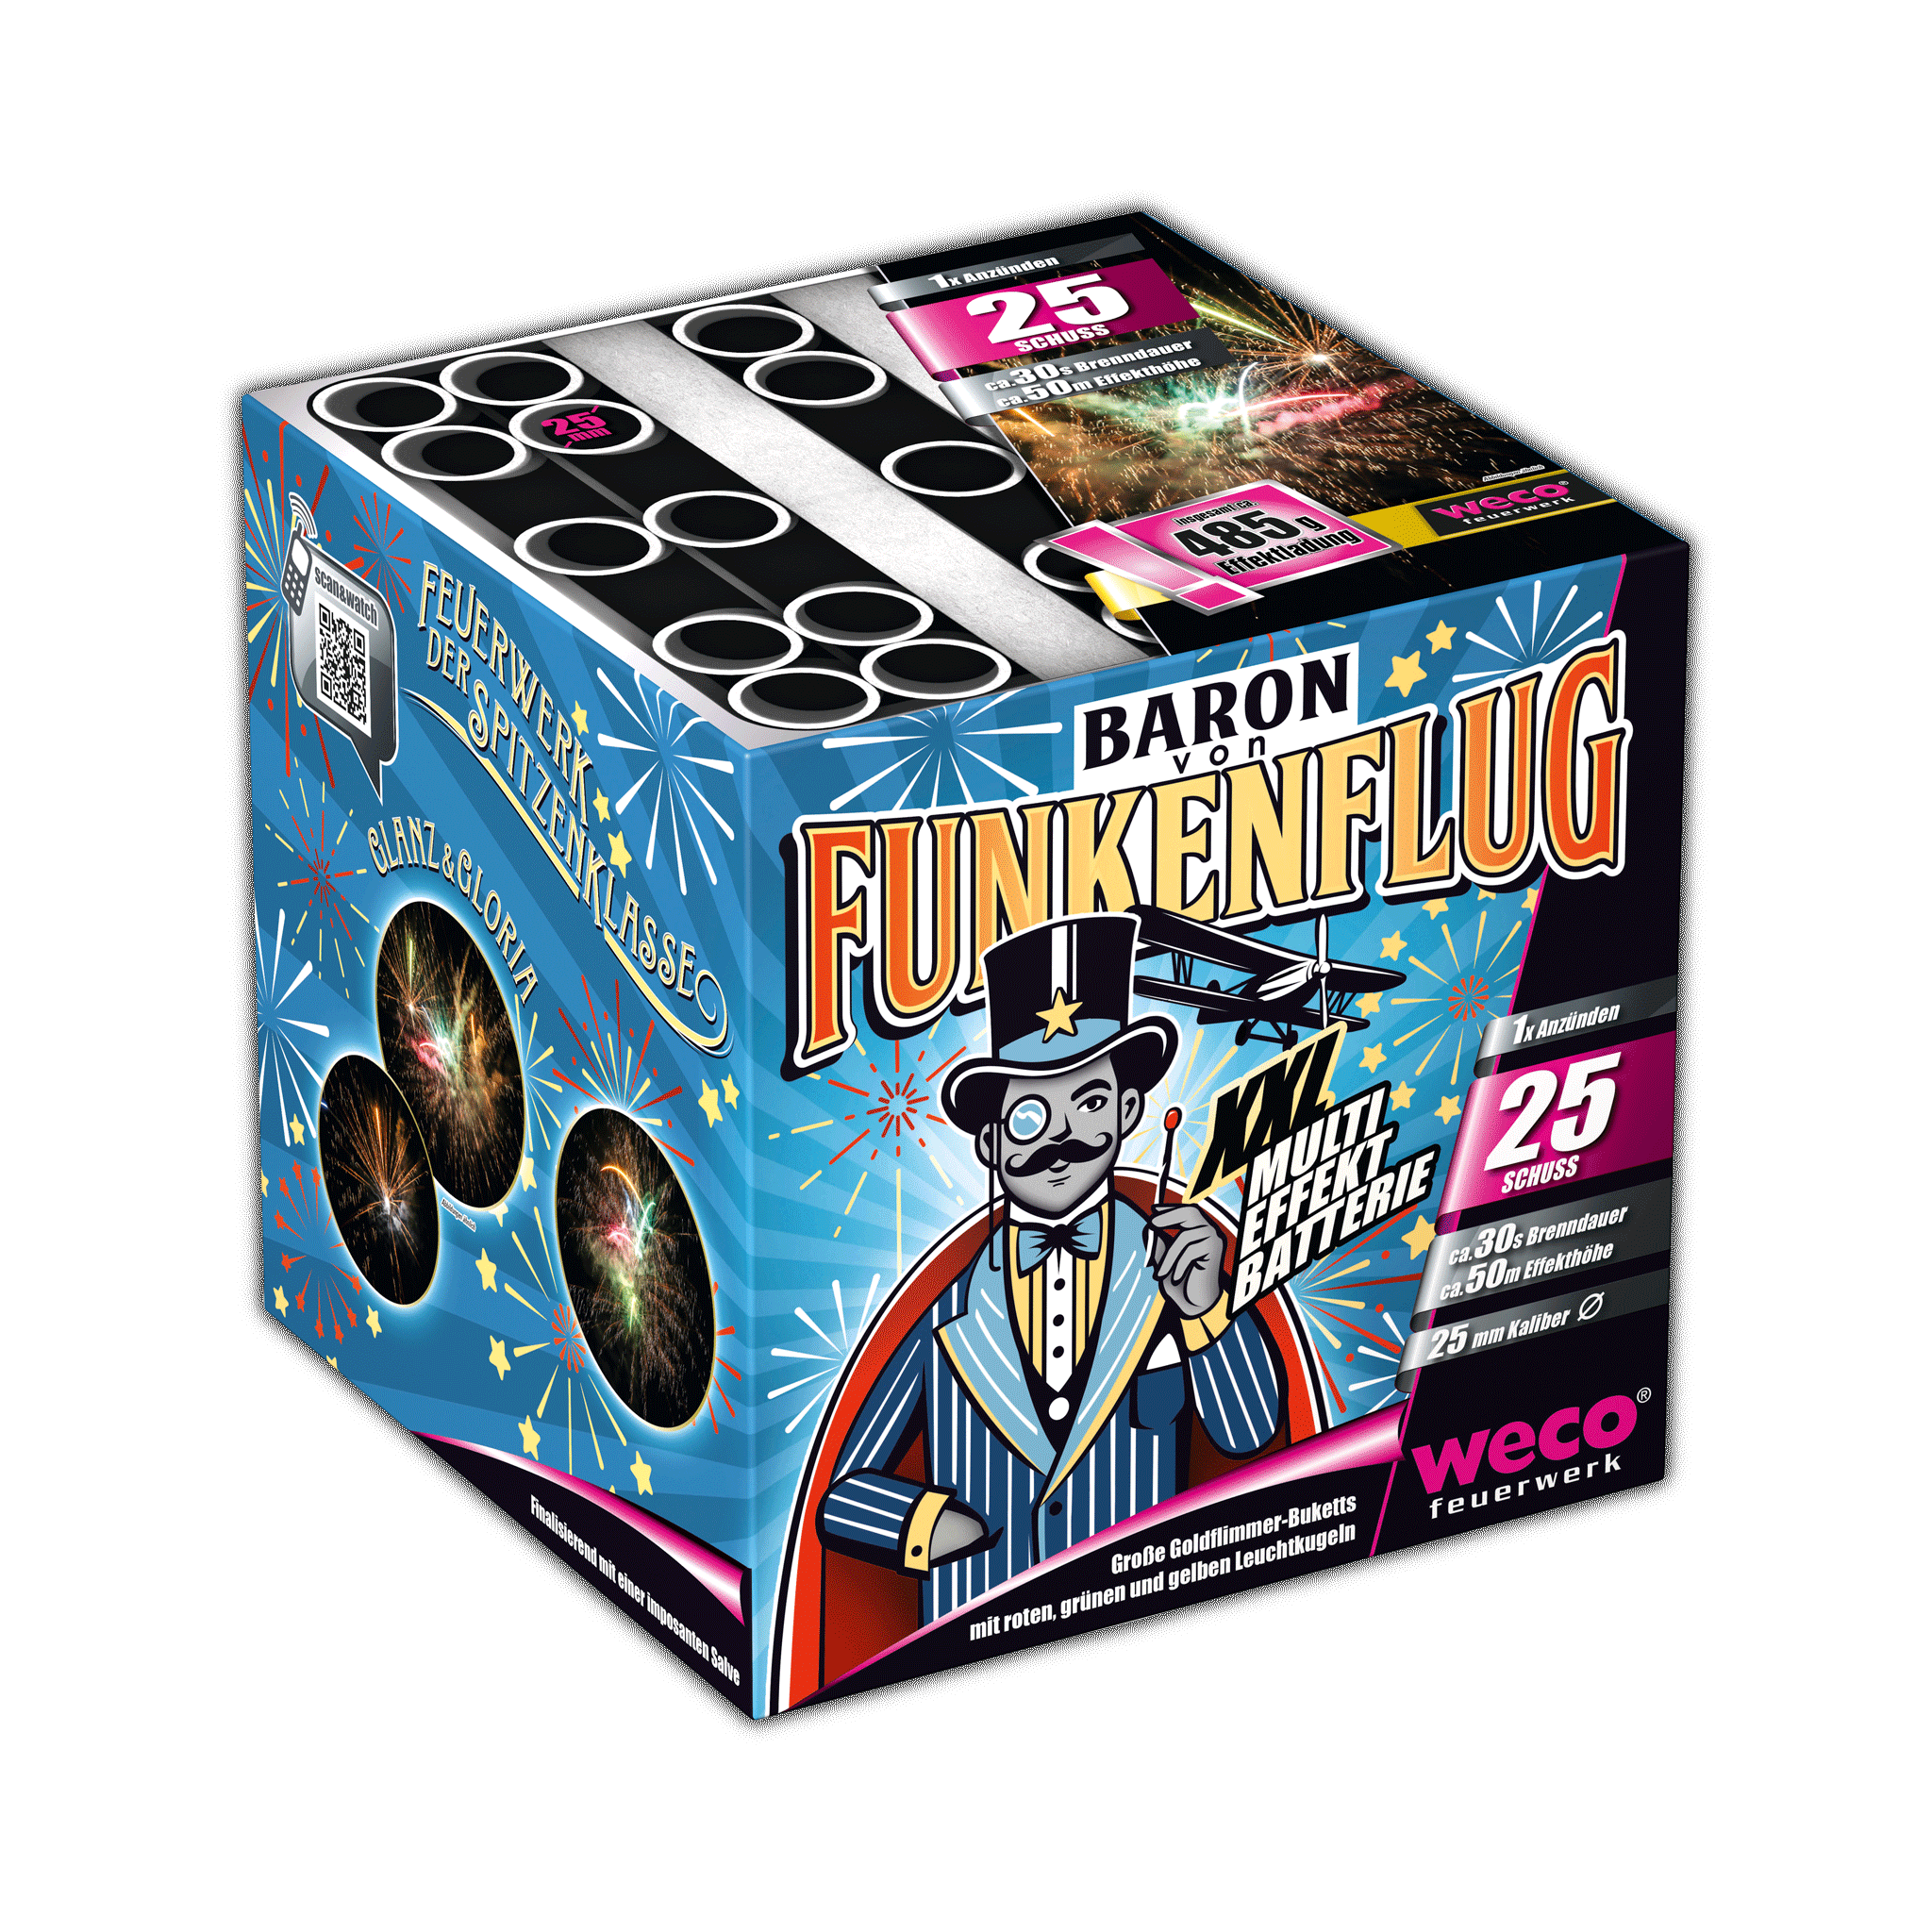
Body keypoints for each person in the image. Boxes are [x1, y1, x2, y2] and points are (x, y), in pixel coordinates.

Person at [816, 913, 1282, 1624]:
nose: (1061, 1136)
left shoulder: (1175, 1276)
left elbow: (1250, 1433)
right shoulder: (947, 1320)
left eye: (1089, 1103)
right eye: (1031, 1115)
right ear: (992, 1144)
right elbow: (843, 1495)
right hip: (972, 1634)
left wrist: (1208, 1310)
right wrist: (933, 1527)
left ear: (1128, 1111)